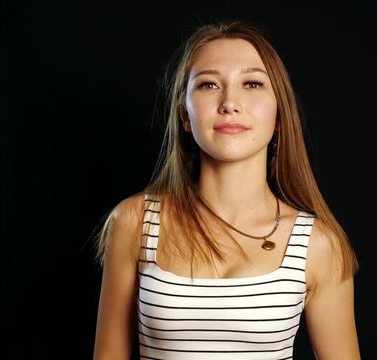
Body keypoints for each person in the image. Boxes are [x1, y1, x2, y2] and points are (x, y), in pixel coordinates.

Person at [92, 19, 360, 360]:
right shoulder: (133, 221)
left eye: (251, 83)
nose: (230, 102)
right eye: (208, 85)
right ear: (185, 116)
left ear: (279, 116)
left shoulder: (318, 245)